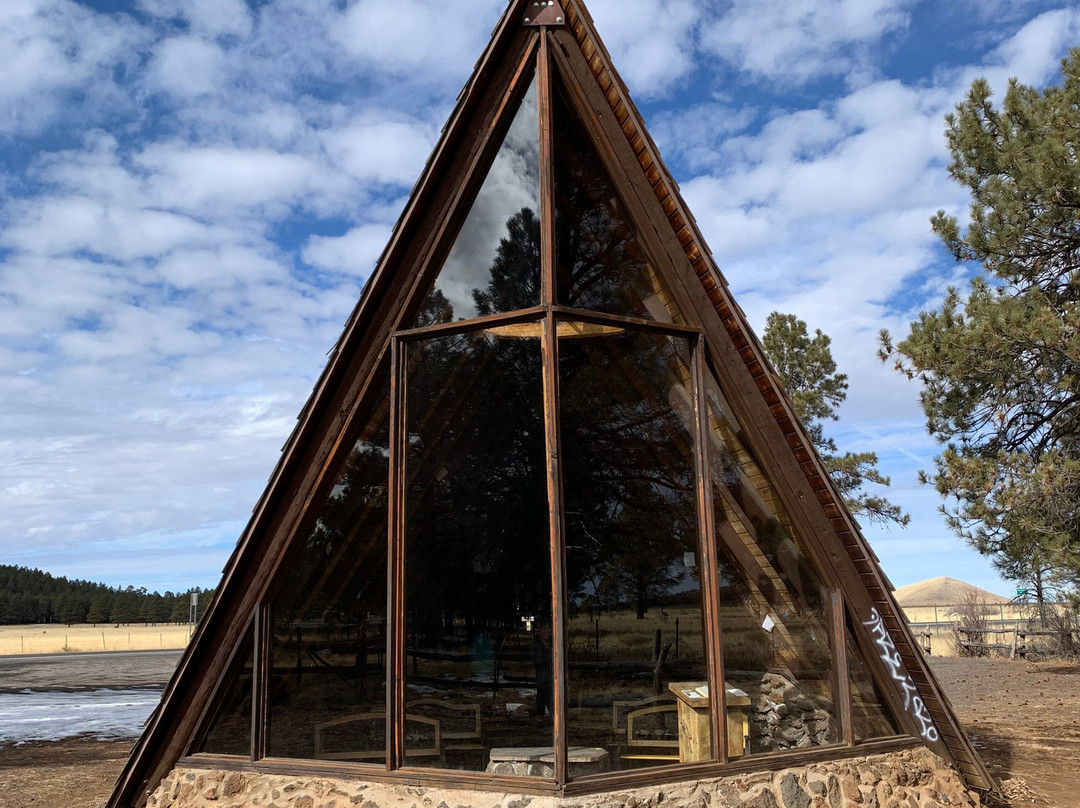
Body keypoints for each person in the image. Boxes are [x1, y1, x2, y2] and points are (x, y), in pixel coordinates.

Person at [532, 618, 553, 721]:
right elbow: (539, 661)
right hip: (542, 673)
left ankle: (548, 713)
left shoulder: (552, 643)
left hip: (550, 673)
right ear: (539, 630)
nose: (546, 631)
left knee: (549, 692)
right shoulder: (537, 645)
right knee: (543, 692)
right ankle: (541, 713)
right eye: (544, 629)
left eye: (548, 628)